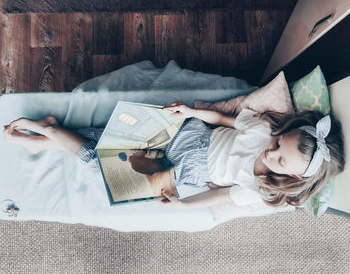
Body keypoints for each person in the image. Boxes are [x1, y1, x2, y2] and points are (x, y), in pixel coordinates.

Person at [3, 102, 345, 210]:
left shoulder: (258, 188)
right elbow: (223, 120)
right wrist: (191, 110)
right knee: (117, 137)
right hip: (189, 135)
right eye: (277, 144)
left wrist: (184, 204)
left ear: (293, 178)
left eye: (279, 160)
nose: (270, 153)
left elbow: (219, 195)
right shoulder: (261, 132)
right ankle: (48, 136)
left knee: (108, 166)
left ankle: (49, 135)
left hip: (184, 172)